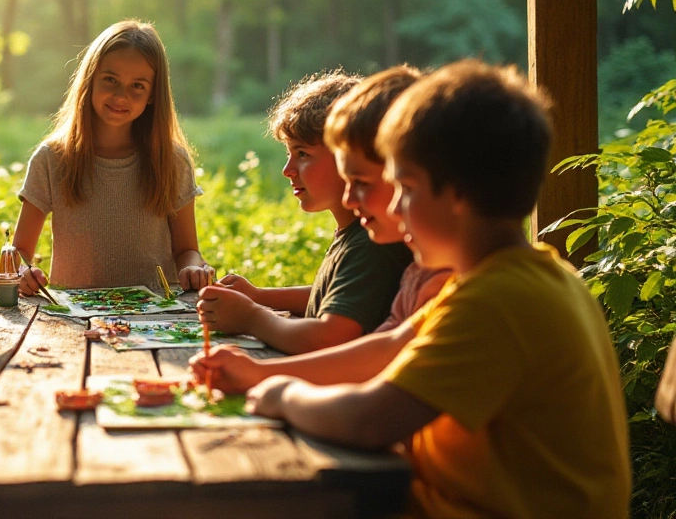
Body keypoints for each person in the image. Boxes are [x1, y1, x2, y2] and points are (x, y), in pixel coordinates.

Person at [196, 60, 630, 518]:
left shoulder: (502, 301)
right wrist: (255, 374)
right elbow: (391, 347)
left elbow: (371, 420)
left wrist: (283, 393)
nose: (394, 206)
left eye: (404, 187)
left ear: (458, 192)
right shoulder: (514, 278)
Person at [187, 66, 448, 391]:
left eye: (303, 154)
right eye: (289, 153)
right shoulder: (370, 241)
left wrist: (252, 317)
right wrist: (260, 297)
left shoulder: (377, 244)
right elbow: (343, 297)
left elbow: (332, 338)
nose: (287, 170)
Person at [13, 20, 215, 297]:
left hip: (157, 320)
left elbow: (186, 250)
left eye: (138, 86)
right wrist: (24, 272)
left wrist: (194, 268)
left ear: (153, 95)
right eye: (111, 80)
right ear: (90, 79)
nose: (121, 96)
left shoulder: (171, 161)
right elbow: (19, 252)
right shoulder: (52, 159)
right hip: (76, 319)